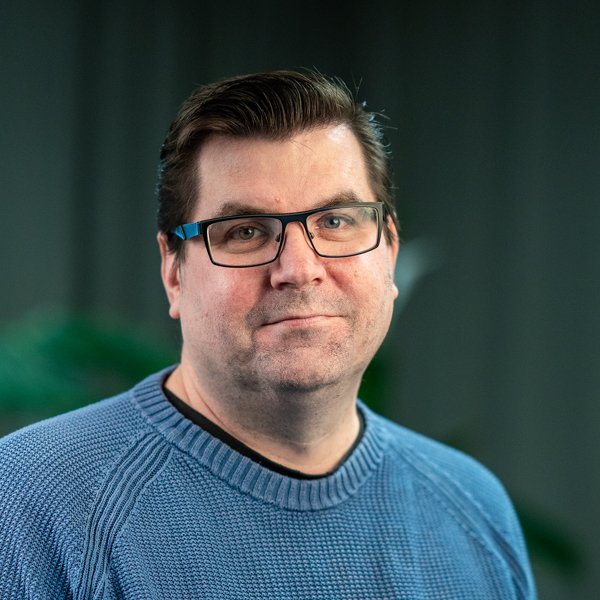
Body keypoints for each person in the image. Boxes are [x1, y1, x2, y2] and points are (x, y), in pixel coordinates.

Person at [0, 70, 536, 599]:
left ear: (389, 252)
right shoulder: (31, 500)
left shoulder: (473, 508)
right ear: (174, 272)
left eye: (335, 221)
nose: (299, 270)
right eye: (246, 231)